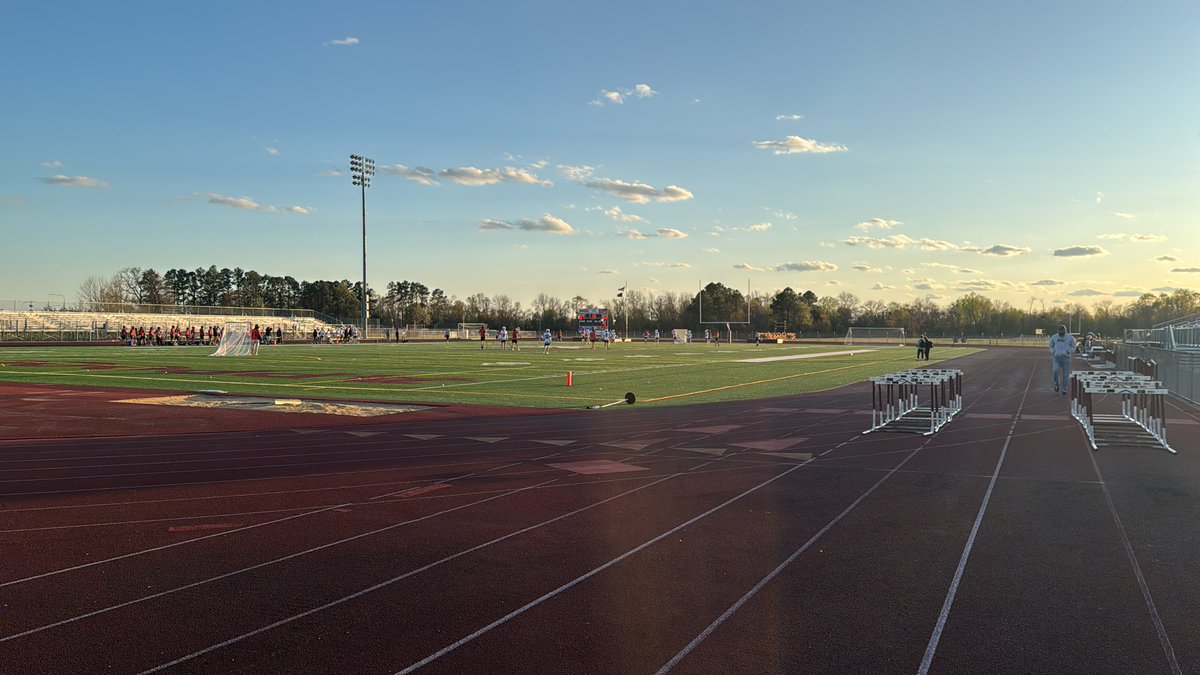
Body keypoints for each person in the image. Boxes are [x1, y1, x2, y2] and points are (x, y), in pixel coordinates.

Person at [1049, 324, 1077, 394]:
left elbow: (1073, 347)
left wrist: (1069, 351)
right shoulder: (1054, 337)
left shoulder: (1070, 337)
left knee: (1066, 374)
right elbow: (1050, 346)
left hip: (1066, 358)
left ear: (1065, 330)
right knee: (1055, 371)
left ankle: (1064, 388)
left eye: (1062, 330)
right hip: (1057, 358)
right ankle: (1056, 384)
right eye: (1059, 330)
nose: (1061, 331)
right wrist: (1053, 351)